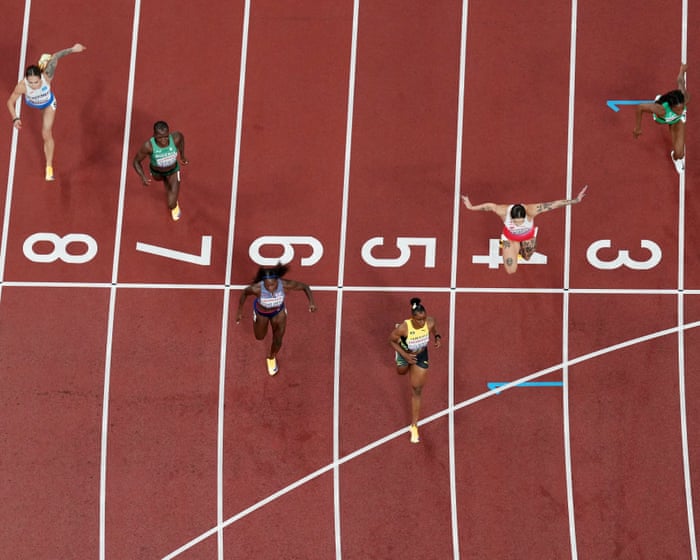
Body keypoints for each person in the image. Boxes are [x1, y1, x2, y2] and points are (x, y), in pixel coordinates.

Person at [462, 185, 588, 274]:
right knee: (511, 270)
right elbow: (489, 206)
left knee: (527, 257)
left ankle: (521, 248)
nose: (518, 224)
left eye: (521, 221)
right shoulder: (503, 211)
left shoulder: (531, 210)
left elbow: (553, 204)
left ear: (525, 215)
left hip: (527, 237)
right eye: (516, 222)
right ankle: (515, 247)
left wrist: (575, 200)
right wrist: (471, 207)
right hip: (509, 239)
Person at [6, 43, 87, 181]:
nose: (33, 85)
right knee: (43, 125)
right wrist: (15, 118)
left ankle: (49, 167)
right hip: (34, 104)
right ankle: (42, 62)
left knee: (46, 132)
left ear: (41, 77)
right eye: (30, 82)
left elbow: (56, 57)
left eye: (36, 82)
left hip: (48, 104)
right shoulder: (22, 86)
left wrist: (73, 49)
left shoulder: (47, 76)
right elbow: (10, 102)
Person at [236, 263, 317, 376]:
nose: (270, 288)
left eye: (273, 285)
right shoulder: (256, 288)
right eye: (267, 285)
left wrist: (312, 302)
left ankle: (271, 357)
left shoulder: (284, 284)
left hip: (278, 312)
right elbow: (244, 293)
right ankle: (255, 315)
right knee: (259, 337)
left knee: (278, 340)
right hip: (262, 313)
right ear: (263, 282)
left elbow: (305, 286)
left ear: (277, 281)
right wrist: (239, 312)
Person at [389, 298, 442, 443]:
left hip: (421, 355)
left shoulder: (429, 322)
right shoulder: (403, 328)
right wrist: (405, 355)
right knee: (401, 372)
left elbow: (434, 328)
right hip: (405, 352)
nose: (422, 322)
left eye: (424, 318)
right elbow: (391, 340)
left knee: (417, 390)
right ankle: (400, 355)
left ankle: (414, 426)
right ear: (412, 318)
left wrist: (437, 337)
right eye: (419, 320)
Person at [633, 63, 689, 174]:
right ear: (670, 106)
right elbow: (640, 107)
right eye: (677, 109)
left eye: (682, 108)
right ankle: (659, 100)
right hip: (662, 119)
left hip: (676, 121)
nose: (681, 111)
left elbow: (680, 81)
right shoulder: (660, 110)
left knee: (680, 154)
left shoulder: (685, 98)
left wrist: (682, 70)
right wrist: (637, 128)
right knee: (663, 114)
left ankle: (675, 157)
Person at [132, 121, 188, 221]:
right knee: (163, 181)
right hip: (157, 173)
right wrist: (142, 176)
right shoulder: (148, 146)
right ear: (154, 135)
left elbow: (181, 141)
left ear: (168, 133)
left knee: (171, 204)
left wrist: (182, 156)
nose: (163, 140)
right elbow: (136, 161)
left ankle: (174, 202)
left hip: (173, 171)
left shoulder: (176, 138)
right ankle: (168, 184)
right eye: (160, 137)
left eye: (166, 136)